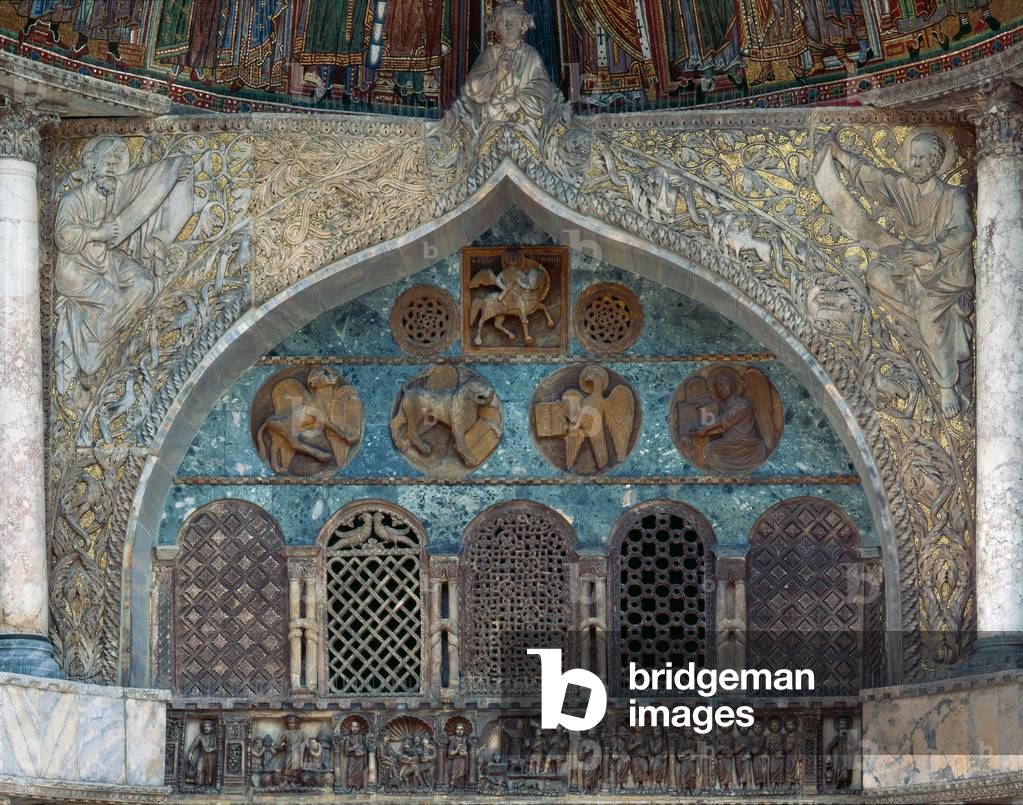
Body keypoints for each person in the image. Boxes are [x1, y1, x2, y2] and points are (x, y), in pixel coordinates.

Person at [829, 129, 973, 416]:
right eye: (912, 157)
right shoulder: (903, 187)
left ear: (936, 162)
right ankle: (924, 330)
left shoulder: (953, 196)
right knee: (876, 275)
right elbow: (873, 178)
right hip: (911, 260)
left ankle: (946, 384)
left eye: (922, 159)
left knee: (927, 311)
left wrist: (931, 252)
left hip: (946, 272)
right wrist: (839, 154)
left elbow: (964, 232)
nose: (915, 164)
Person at [53, 135, 192, 395]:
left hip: (105, 259)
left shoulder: (113, 194)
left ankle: (100, 341)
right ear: (92, 164)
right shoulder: (73, 199)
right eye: (108, 163)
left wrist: (173, 170)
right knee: (111, 298)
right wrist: (98, 233)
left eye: (117, 166)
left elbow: (143, 182)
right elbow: (63, 237)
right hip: (74, 269)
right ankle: (90, 359)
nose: (113, 169)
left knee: (144, 283)